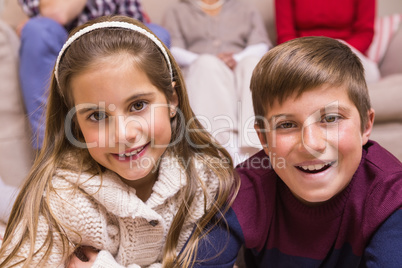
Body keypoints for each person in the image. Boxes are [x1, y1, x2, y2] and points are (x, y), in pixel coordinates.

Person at [0, 15, 241, 267]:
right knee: (18, 201)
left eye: (138, 105)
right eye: (98, 115)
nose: (124, 134)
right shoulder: (62, 200)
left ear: (172, 100)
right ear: (76, 126)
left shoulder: (207, 182)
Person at [232, 36, 402, 266]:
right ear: (263, 138)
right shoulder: (244, 189)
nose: (311, 144)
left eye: (331, 118)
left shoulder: (391, 197)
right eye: (287, 125)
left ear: (365, 125)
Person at [17, 0, 171, 150]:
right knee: (37, 30)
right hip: (70, 64)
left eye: (138, 105)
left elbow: (138, 33)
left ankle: (158, 135)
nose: (123, 135)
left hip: (116, 54)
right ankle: (51, 149)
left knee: (158, 34)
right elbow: (57, 12)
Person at [162, 0, 272, 164]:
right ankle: (221, 148)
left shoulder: (245, 7)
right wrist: (210, 60)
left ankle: (255, 147)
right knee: (208, 65)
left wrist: (235, 59)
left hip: (240, 67)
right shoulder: (177, 11)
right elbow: (172, 50)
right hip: (200, 68)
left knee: (252, 64)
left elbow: (261, 43)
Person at [275, 0, 381, 84]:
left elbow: (365, 33)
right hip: (302, 53)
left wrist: (337, 53)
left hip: (344, 52)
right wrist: (306, 55)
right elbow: (285, 35)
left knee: (372, 75)